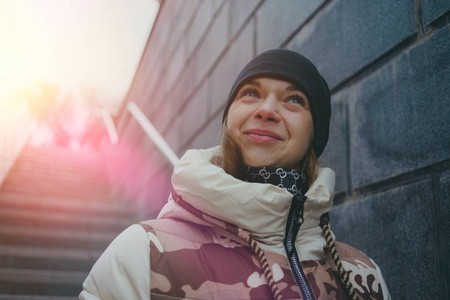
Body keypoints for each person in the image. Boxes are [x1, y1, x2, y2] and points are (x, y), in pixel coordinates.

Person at [80, 49, 390, 299]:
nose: (266, 110)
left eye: (294, 99)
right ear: (229, 120)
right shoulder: (146, 253)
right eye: (251, 94)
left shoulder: (363, 275)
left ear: (315, 134)